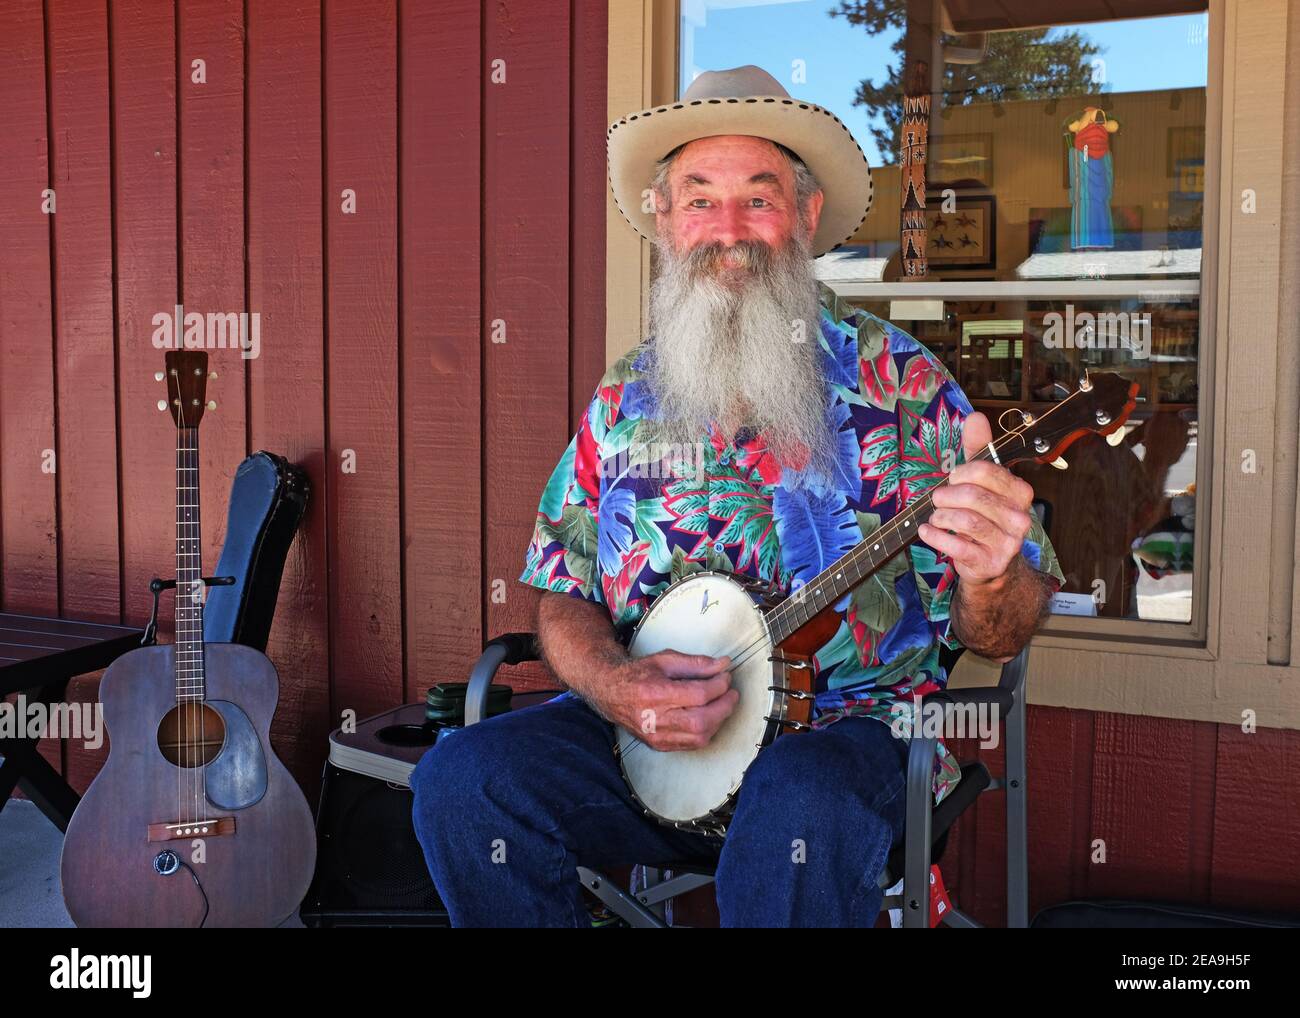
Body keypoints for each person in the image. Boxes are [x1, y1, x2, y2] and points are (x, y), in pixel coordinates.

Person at [411, 65, 1064, 927]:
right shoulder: (624, 397)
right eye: (698, 200)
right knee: (461, 780)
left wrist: (991, 578)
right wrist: (614, 686)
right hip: (642, 739)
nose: (730, 232)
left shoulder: (901, 384)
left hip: (842, 743)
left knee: (799, 801)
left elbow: (1005, 626)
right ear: (664, 221)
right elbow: (562, 589)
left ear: (806, 215)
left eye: (758, 199)